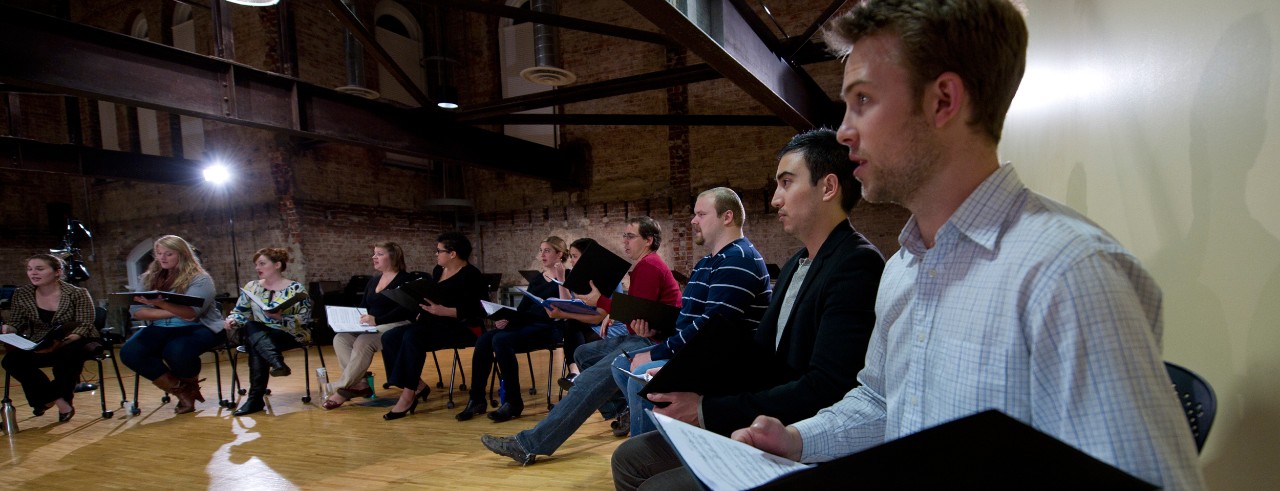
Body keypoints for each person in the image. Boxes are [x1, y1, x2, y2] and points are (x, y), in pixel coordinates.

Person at [728, 2, 1205, 489]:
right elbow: (881, 401)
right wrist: (798, 439)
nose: (845, 130)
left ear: (943, 101)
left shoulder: (1070, 276)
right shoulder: (903, 267)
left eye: (864, 100)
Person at [612, 129, 886, 490]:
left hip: (798, 430)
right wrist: (689, 378)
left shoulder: (856, 264)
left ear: (828, 187)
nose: (775, 199)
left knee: (655, 486)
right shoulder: (796, 263)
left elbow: (827, 387)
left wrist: (706, 409)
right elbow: (759, 353)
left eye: (786, 183)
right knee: (628, 457)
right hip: (760, 412)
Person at [482, 203, 772, 465]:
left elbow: (646, 322)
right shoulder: (699, 262)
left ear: (648, 240)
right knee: (584, 353)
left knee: (595, 376)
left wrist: (605, 307)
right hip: (663, 337)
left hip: (659, 340)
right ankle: (618, 412)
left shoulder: (653, 265)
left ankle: (534, 443)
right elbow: (676, 316)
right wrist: (615, 313)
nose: (624, 241)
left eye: (630, 236)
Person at [610, 187, 777, 436]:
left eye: (700, 214)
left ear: (727, 217)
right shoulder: (707, 262)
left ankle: (650, 455)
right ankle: (668, 436)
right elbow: (687, 319)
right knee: (619, 364)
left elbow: (710, 329)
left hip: (723, 360)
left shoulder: (738, 258)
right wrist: (657, 329)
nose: (693, 221)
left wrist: (657, 351)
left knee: (639, 373)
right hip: (697, 352)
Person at [456, 236, 568, 423]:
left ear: (559, 254)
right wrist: (505, 319)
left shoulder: (568, 276)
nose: (542, 255)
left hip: (550, 327)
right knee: (485, 339)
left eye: (547, 251)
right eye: (541, 250)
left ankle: (513, 401)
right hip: (527, 325)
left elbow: (565, 306)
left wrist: (562, 279)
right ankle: (476, 399)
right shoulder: (538, 279)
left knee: (501, 340)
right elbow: (523, 308)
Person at [382, 231, 487, 420]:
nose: (436, 254)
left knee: (413, 336)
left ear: (452, 253)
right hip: (435, 324)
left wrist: (445, 311)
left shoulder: (472, 275)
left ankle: (408, 394)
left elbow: (480, 309)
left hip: (462, 327)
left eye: (439, 251)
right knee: (389, 337)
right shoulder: (438, 271)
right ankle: (416, 385)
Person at [120, 235, 224, 415]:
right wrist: (174, 310)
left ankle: (189, 388)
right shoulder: (148, 277)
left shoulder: (200, 279)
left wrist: (159, 305)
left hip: (202, 326)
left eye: (168, 254)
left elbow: (191, 314)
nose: (162, 258)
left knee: (176, 350)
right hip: (162, 326)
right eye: (159, 253)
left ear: (182, 254)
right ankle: (183, 390)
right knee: (130, 352)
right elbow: (137, 311)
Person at [0, 254, 97, 422]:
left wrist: (62, 342)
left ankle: (45, 400)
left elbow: (85, 323)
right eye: (30, 269)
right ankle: (58, 400)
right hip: (41, 340)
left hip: (76, 338)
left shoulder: (77, 293)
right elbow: (16, 321)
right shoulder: (21, 294)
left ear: (57, 272)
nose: (33, 273)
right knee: (11, 361)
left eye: (39, 269)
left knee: (67, 357)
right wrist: (8, 329)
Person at [322, 241, 417, 410]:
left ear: (393, 257)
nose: (374, 257)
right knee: (341, 338)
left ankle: (341, 388)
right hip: (374, 325)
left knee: (363, 341)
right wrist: (349, 320)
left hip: (398, 324)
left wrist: (377, 320)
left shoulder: (406, 279)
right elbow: (363, 306)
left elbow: (406, 310)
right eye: (374, 253)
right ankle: (359, 384)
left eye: (379, 254)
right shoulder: (373, 281)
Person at [224, 247, 313, 416]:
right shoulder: (252, 287)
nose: (258, 268)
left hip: (290, 333)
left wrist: (280, 318)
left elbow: (306, 319)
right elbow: (240, 312)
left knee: (255, 342)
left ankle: (255, 400)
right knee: (252, 328)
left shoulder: (296, 289)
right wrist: (233, 320)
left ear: (277, 265)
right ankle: (276, 362)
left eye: (262, 263)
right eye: (256, 264)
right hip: (260, 334)